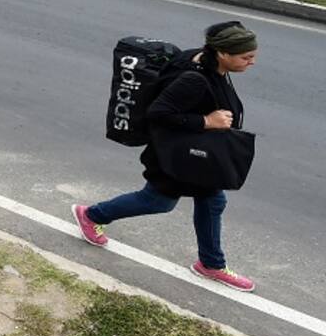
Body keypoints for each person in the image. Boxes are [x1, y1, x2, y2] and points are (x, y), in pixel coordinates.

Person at [73, 22, 260, 292]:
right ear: (222, 53)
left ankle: (211, 264)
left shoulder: (207, 62)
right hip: (175, 157)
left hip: (197, 156)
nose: (252, 62)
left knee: (212, 200)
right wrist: (206, 121)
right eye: (246, 57)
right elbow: (158, 113)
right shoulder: (193, 78)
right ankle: (91, 215)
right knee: (157, 201)